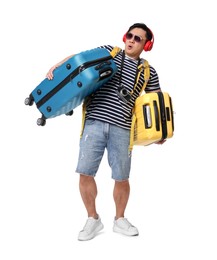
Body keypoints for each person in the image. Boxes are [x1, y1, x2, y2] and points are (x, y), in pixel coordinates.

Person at [46, 23, 165, 241]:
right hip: (94, 123)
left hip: (123, 128)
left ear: (146, 45)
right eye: (129, 35)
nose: (131, 40)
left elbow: (156, 101)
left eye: (138, 39)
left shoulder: (148, 71)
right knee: (85, 172)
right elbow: (79, 58)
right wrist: (57, 66)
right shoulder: (109, 52)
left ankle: (120, 220)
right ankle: (93, 219)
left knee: (122, 177)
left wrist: (160, 132)